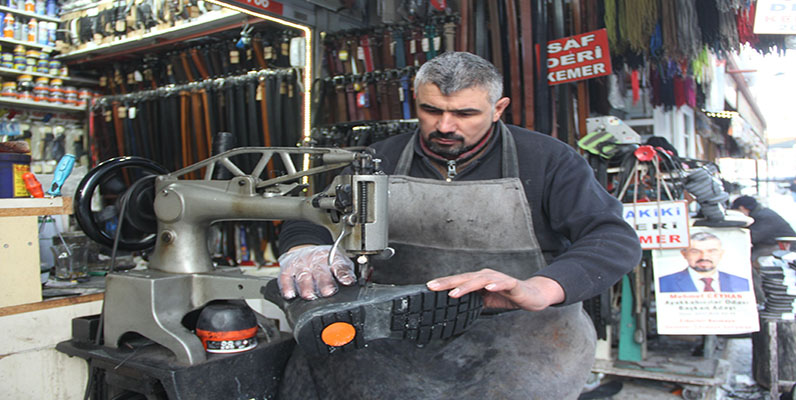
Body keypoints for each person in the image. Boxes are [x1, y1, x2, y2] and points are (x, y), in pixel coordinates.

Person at [274, 52, 641, 399]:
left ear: (498, 109)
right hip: (396, 337)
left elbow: (611, 239)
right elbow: (310, 219)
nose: (445, 126)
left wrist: (541, 288)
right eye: (431, 110)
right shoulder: (378, 159)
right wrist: (304, 250)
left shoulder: (549, 161)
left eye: (465, 114)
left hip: (522, 345)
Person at [658, 231, 749, 293]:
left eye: (712, 251)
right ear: (684, 254)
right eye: (695, 252)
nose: (704, 257)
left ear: (721, 254)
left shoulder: (742, 283)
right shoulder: (664, 283)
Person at [730, 195, 796, 260]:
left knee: (749, 258)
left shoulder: (764, 217)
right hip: (776, 244)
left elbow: (753, 237)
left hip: (784, 247)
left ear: (742, 208)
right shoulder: (760, 213)